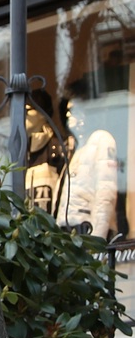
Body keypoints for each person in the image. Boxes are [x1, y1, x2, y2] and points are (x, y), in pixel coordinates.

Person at [55, 90, 118, 239]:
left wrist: (97, 240)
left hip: (86, 232)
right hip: (69, 233)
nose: (69, 114)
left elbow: (105, 194)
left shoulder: (101, 140)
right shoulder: (76, 147)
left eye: (74, 110)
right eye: (68, 110)